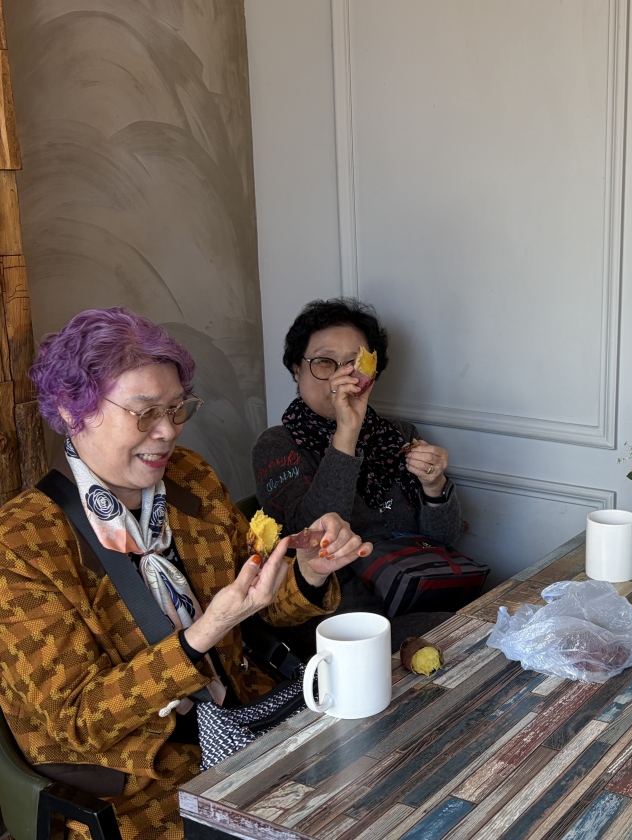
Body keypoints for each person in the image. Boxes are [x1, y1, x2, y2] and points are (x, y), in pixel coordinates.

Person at [0, 308, 372, 839]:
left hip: (247, 721)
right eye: (144, 412)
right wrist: (204, 633)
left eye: (177, 409)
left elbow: (259, 604)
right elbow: (78, 720)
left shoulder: (190, 478)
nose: (167, 431)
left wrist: (308, 572)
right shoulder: (20, 544)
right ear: (71, 409)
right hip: (145, 786)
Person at [252, 298, 463, 653]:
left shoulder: (398, 435)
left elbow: (443, 539)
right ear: (296, 369)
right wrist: (346, 432)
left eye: (354, 363)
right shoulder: (277, 445)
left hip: (419, 596)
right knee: (478, 635)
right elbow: (312, 535)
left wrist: (434, 486)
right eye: (324, 362)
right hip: (344, 622)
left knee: (494, 622)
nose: (342, 376)